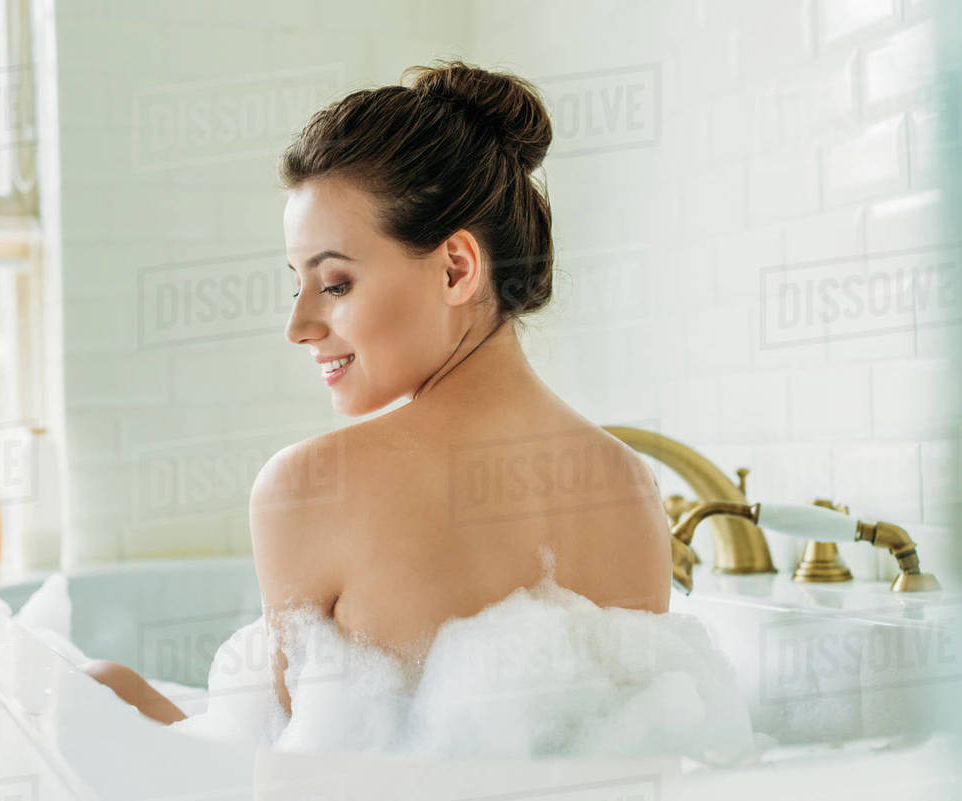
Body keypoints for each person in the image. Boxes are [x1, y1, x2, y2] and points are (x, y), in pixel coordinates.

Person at [84, 59, 671, 726]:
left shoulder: (311, 484)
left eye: (334, 283)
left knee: (96, 684)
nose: (298, 326)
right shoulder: (633, 487)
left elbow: (278, 767)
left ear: (457, 268)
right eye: (295, 284)